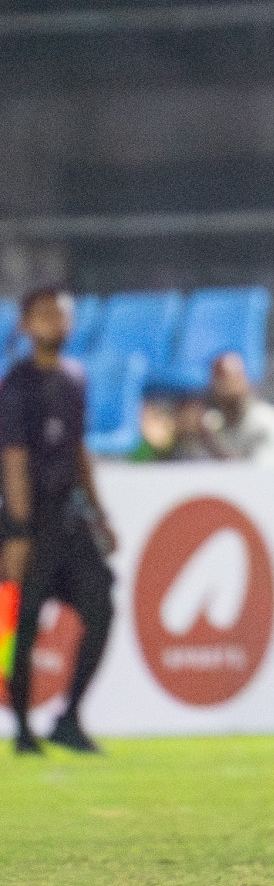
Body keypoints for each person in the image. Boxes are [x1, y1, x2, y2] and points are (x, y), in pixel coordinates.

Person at [0, 289, 116, 755]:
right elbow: (13, 460)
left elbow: (77, 449)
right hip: (33, 522)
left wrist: (99, 512)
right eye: (46, 315)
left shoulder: (75, 379)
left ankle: (68, 717)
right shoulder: (16, 386)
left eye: (64, 315)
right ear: (26, 326)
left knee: (101, 608)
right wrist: (19, 532)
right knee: (25, 623)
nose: (58, 323)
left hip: (70, 522)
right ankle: (24, 729)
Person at [177, 353, 274, 463]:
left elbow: (258, 477)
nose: (226, 388)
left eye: (233, 380)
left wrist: (209, 441)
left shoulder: (267, 422)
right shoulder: (206, 420)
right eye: (219, 381)